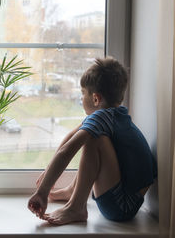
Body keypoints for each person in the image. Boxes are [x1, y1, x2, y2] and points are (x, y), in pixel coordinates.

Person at [28, 58, 157, 225]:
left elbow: (67, 150)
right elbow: (69, 139)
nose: (81, 98)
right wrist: (48, 174)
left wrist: (42, 192)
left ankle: (76, 207)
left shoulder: (101, 119)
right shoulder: (115, 115)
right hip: (129, 201)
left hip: (121, 206)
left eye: (83, 93)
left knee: (94, 140)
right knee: (91, 134)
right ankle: (73, 192)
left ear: (96, 99)